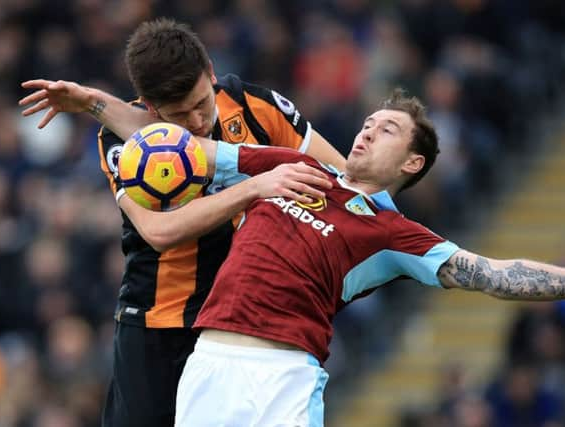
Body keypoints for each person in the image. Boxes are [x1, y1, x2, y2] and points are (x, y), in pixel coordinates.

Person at [111, 88, 565, 426]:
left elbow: (491, 274)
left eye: (387, 129)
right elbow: (183, 150)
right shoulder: (294, 166)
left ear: (412, 163)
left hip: (280, 375)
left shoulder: (393, 233)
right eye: (369, 123)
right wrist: (93, 105)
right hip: (210, 359)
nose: (367, 131)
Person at [19, 18, 345, 427]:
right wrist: (254, 187)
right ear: (150, 107)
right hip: (158, 326)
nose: (195, 121)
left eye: (201, 104)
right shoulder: (123, 140)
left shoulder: (255, 106)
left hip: (240, 324)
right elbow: (159, 232)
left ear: (210, 72)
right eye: (178, 115)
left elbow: (342, 177)